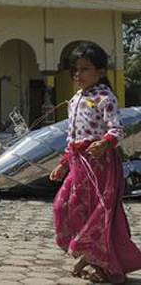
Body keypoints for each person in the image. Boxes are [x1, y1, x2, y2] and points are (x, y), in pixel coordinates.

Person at [50, 42, 141, 283]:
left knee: (98, 216)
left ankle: (104, 266)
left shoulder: (105, 97)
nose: (78, 75)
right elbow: (72, 138)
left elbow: (117, 130)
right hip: (79, 165)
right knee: (63, 206)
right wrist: (63, 163)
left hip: (101, 166)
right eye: (75, 70)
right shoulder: (74, 100)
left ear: (100, 72)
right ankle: (86, 255)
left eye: (84, 69)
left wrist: (103, 143)